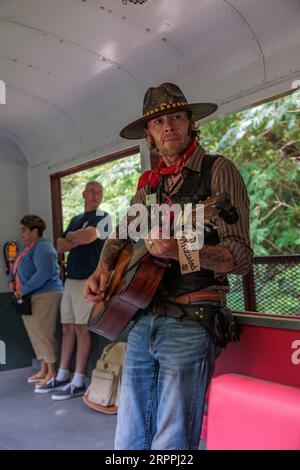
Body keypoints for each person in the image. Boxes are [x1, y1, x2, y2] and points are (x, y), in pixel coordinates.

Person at [85, 83, 253, 449]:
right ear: (149, 133)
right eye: (158, 121)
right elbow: (120, 235)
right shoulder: (150, 185)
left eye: (176, 117)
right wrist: (102, 270)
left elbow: (239, 256)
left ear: (191, 123)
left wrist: (181, 251)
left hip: (192, 319)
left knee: (171, 441)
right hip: (144, 320)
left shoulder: (217, 171)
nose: (168, 126)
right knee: (129, 439)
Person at [37, 181, 111, 400]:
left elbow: (85, 238)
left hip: (88, 281)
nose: (96, 195)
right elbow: (59, 246)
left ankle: (78, 381)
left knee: (81, 329)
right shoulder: (76, 219)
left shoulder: (104, 218)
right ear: (83, 193)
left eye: (99, 192)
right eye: (92, 191)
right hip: (70, 280)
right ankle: (62, 376)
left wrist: (74, 237)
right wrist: (77, 236)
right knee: (67, 328)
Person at [9, 215, 63, 386]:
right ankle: (44, 369)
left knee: (44, 334)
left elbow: (43, 274)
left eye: (25, 229)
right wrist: (14, 283)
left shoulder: (44, 248)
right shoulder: (29, 248)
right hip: (29, 296)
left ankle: (52, 374)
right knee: (35, 334)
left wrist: (23, 290)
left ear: (35, 230)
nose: (22, 233)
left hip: (45, 295)